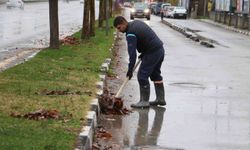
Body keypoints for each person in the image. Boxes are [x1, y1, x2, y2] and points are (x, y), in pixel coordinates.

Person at [113, 16, 166, 108]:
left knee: (142, 76)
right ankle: (160, 99)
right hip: (159, 50)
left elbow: (132, 54)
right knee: (155, 74)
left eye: (119, 28)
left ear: (123, 23)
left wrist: (130, 70)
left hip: (152, 52)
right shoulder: (135, 23)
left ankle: (144, 101)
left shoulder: (130, 33)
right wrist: (144, 52)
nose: (119, 30)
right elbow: (146, 38)